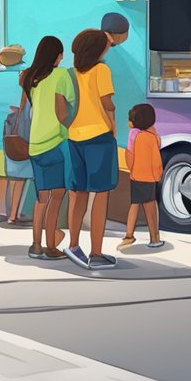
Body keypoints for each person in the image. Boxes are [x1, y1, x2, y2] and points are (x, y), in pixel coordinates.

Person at [65, 29, 118, 270]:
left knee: (78, 192)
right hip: (99, 136)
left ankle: (74, 244)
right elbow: (107, 102)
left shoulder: (70, 73)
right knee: (101, 194)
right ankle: (96, 252)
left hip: (74, 136)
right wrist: (113, 118)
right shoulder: (102, 70)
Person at [24, 36, 73, 260]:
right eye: (61, 53)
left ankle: (36, 245)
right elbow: (67, 107)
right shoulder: (62, 75)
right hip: (55, 142)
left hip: (35, 145)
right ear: (55, 55)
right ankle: (51, 247)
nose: (62, 57)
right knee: (57, 196)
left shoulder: (30, 78)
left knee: (41, 198)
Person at [121, 103, 164, 250]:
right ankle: (154, 239)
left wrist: (132, 170)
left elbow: (129, 157)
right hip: (149, 178)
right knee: (150, 208)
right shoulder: (150, 138)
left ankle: (128, 235)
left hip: (136, 176)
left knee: (134, 205)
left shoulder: (134, 136)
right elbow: (156, 160)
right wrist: (158, 174)